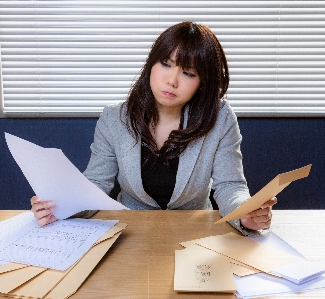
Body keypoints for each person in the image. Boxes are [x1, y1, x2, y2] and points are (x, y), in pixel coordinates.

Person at [31, 21, 277, 236]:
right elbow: (95, 184)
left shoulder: (220, 118)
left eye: (189, 73)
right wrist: (61, 207)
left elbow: (230, 186)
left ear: (202, 83)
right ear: (152, 64)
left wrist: (246, 213)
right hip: (128, 232)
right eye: (166, 64)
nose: (172, 80)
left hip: (194, 234)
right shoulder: (114, 118)